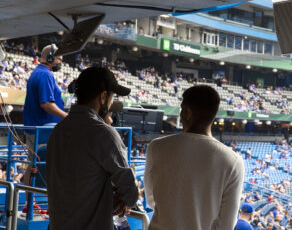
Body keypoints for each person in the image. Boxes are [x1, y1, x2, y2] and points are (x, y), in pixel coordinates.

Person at [46, 67, 138, 230]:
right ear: (103, 96)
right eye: (112, 97)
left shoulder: (58, 131)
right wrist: (121, 199)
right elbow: (130, 192)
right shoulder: (103, 133)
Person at [145, 85, 244, 230]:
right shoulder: (233, 161)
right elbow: (226, 225)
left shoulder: (157, 147)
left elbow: (150, 200)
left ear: (187, 112)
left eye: (181, 110)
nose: (180, 115)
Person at [23, 44, 67, 183]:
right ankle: (29, 202)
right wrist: (67, 117)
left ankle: (29, 202)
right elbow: (46, 104)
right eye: (59, 59)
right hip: (41, 130)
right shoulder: (45, 74)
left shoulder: (40, 72)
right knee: (34, 166)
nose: (60, 62)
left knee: (32, 165)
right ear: (50, 57)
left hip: (38, 129)